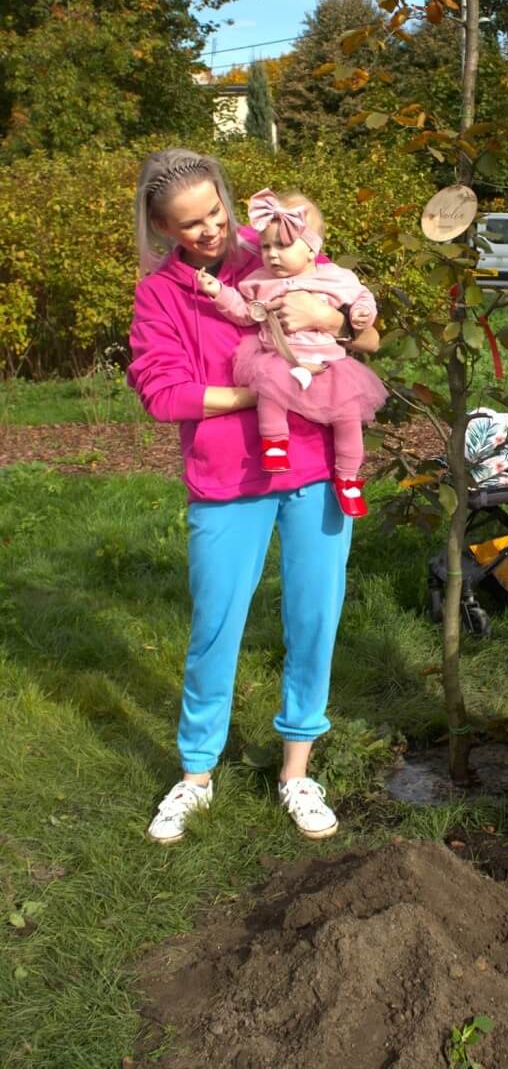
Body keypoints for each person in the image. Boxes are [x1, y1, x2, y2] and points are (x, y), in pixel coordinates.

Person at [128, 149, 379, 846]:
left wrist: (332, 326)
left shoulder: (276, 246)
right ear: (161, 227)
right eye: (189, 225)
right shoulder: (160, 295)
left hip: (315, 468)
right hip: (226, 479)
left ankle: (296, 769)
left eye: (215, 213)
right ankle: (198, 773)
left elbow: (365, 331)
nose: (211, 231)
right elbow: (164, 392)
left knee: (314, 618)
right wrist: (262, 391)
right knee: (215, 627)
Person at [197, 187, 387, 518]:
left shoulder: (334, 278)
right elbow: (244, 312)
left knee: (348, 421)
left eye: (283, 246)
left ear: (312, 250)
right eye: (266, 246)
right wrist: (220, 293)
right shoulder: (259, 282)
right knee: (270, 385)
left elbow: (362, 298)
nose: (271, 255)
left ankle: (349, 478)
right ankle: (274, 442)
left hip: (330, 368)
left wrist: (361, 314)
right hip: (281, 359)